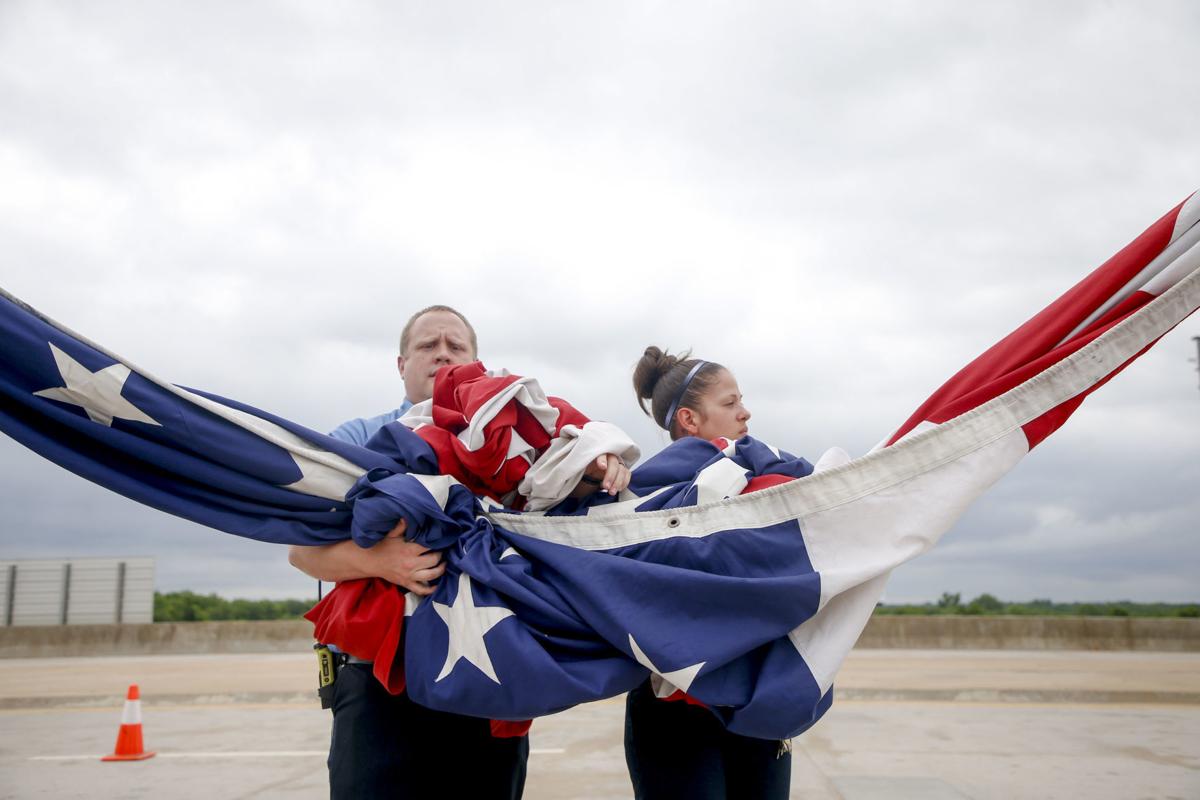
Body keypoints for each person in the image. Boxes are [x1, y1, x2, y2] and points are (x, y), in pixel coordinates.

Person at [290, 305, 630, 799]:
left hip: (491, 675)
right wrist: (380, 562)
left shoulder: (520, 446)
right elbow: (301, 550)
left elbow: (575, 488)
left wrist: (598, 465)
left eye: (457, 346)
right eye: (428, 345)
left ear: (477, 362)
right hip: (378, 686)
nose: (443, 354)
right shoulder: (354, 443)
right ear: (401, 363)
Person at [624, 345, 791, 800]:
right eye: (730, 402)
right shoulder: (639, 500)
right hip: (675, 710)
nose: (745, 412)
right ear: (689, 420)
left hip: (756, 698)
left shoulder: (767, 483)